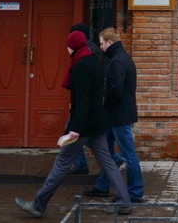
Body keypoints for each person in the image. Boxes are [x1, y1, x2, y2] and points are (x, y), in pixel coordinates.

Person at [14, 31, 133, 218]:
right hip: (96, 122)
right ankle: (124, 201)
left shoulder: (80, 66)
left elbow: (82, 100)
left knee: (62, 163)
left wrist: (75, 129)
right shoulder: (95, 62)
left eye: (68, 45)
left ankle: (38, 205)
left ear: (73, 46)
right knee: (108, 162)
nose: (67, 48)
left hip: (83, 125)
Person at [83, 27, 144, 205]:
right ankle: (103, 186)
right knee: (106, 151)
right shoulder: (121, 58)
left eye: (102, 43)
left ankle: (135, 192)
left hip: (119, 115)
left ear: (110, 42)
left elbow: (115, 90)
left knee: (128, 155)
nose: (100, 47)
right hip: (116, 114)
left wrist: (105, 107)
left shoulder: (118, 61)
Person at [67, 23, 100, 175]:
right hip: (90, 107)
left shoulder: (85, 53)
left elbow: (83, 92)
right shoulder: (90, 50)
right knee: (95, 142)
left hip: (87, 107)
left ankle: (80, 164)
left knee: (72, 133)